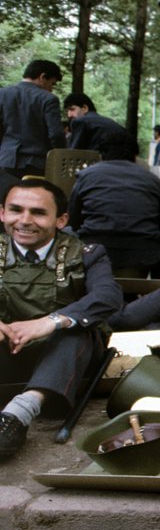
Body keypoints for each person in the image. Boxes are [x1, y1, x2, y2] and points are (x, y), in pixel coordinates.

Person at [0, 179, 122, 458]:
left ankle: (17, 415)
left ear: (61, 219)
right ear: (2, 213)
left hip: (66, 361)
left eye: (38, 213)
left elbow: (108, 296)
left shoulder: (87, 254)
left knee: (78, 329)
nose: (24, 221)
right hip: (10, 352)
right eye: (15, 210)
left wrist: (50, 322)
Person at [67, 133, 160, 278]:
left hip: (93, 251)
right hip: (145, 255)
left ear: (101, 155)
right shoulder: (152, 180)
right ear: (135, 156)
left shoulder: (85, 176)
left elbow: (73, 220)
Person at [0, 59, 66, 178]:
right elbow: (56, 134)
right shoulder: (48, 99)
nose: (51, 89)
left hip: (5, 161)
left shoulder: (2, 94)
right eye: (52, 83)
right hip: (36, 163)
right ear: (43, 77)